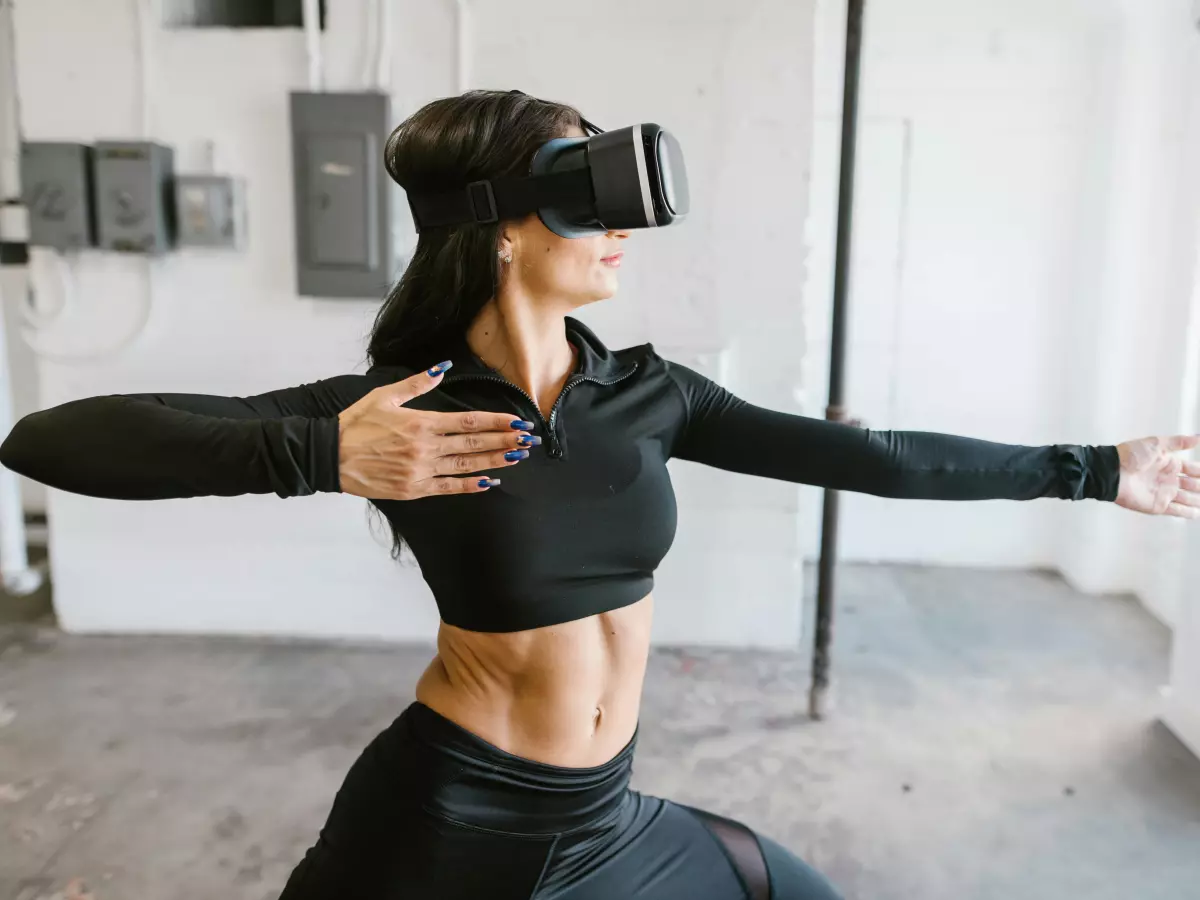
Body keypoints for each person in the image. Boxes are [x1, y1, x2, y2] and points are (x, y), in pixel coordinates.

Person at [3, 90, 1198, 900]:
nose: (622, 229)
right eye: (584, 193)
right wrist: (315, 455)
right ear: (503, 232)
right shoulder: (397, 406)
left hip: (607, 812)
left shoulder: (650, 393)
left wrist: (1096, 471)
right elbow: (47, 440)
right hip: (450, 821)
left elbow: (872, 459)